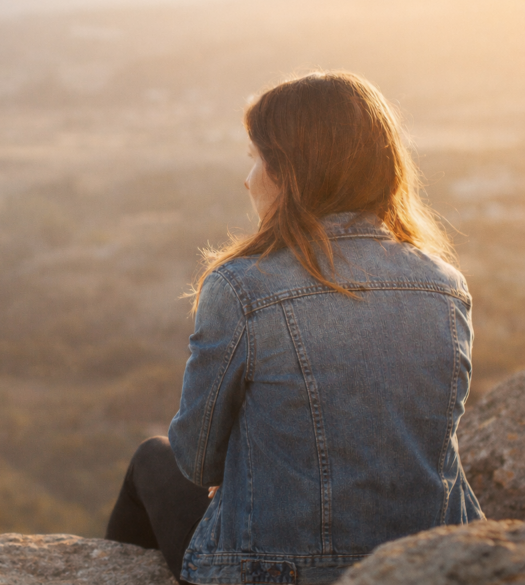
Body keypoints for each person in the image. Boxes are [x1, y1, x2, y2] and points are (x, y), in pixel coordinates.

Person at [105, 71, 484, 585]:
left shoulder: (242, 287)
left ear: (292, 172)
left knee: (154, 458)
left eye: (257, 159)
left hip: (281, 571)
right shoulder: (445, 285)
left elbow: (197, 461)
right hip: (426, 561)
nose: (249, 178)